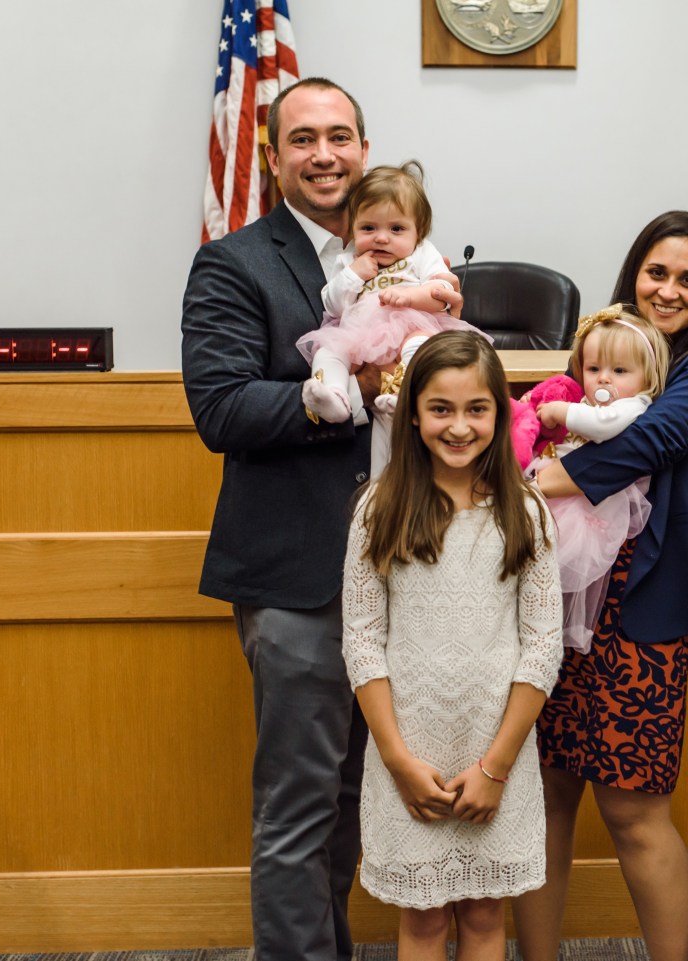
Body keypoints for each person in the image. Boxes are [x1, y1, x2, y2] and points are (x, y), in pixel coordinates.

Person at [180, 77, 459, 961]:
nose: (325, 153)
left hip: (400, 577)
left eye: (341, 136)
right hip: (296, 576)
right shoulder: (236, 263)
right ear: (272, 157)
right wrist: (339, 395)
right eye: (303, 139)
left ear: (364, 150)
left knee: (352, 796)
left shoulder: (407, 255)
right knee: (298, 805)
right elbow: (221, 408)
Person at [514, 211, 688, 961]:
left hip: (640, 604)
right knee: (544, 798)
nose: (669, 290)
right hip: (548, 600)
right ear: (633, 273)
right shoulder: (596, 347)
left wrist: (557, 477)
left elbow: (658, 433)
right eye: (657, 272)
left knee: (633, 809)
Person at [342, 331, 563, 960]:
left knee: (488, 916)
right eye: (441, 408)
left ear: (500, 411)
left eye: (476, 409)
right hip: (408, 752)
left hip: (497, 751)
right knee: (423, 922)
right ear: (412, 413)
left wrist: (495, 768)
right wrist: (397, 761)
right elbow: (361, 640)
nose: (459, 426)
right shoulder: (378, 509)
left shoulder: (526, 510)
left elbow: (543, 646)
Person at [524, 304, 671, 652]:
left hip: (588, 507)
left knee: (555, 576)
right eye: (593, 368)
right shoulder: (590, 403)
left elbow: (601, 429)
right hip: (556, 493)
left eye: (619, 370)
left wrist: (563, 412)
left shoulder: (635, 405)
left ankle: (547, 634)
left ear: (647, 378)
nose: (604, 378)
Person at [296, 160, 484, 428]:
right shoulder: (350, 257)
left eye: (396, 229)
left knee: (420, 345)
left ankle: (412, 392)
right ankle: (335, 397)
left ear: (418, 231)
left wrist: (411, 298)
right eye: (368, 228)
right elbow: (333, 307)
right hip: (358, 333)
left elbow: (442, 292)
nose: (381, 238)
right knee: (327, 351)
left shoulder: (422, 252)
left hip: (410, 323)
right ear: (353, 227)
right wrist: (353, 275)